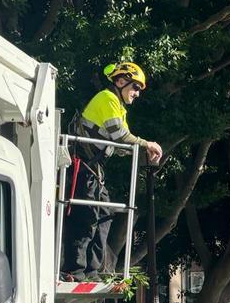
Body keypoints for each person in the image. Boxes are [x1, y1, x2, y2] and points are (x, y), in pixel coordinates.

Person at [62, 61, 163, 279]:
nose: (137, 93)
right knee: (86, 215)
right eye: (135, 87)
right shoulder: (107, 99)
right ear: (120, 81)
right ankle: (75, 270)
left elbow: (120, 147)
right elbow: (121, 137)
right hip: (84, 167)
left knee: (105, 213)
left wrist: (141, 148)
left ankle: (92, 270)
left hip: (93, 169)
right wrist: (147, 144)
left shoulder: (117, 106)